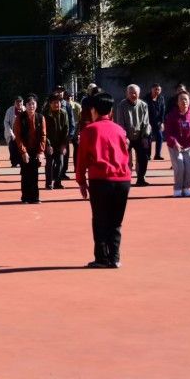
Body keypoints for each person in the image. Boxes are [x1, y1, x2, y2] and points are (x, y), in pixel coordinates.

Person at [76, 91, 132, 269]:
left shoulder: (89, 130)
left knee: (100, 220)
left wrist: (81, 181)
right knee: (116, 221)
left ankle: (102, 257)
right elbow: (126, 155)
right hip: (122, 179)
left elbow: (81, 159)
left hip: (100, 179)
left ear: (94, 110)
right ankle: (115, 257)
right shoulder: (120, 130)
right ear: (111, 110)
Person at [164, 92, 190, 197]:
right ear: (177, 102)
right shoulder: (171, 115)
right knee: (180, 167)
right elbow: (168, 133)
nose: (184, 101)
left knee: (189, 168)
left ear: (189, 101)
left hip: (189, 146)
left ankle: (186, 188)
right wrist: (175, 142)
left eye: (186, 99)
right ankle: (178, 189)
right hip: (175, 147)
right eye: (181, 99)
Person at [115, 84, 152, 187]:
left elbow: (146, 122)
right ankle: (126, 179)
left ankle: (141, 178)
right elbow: (120, 123)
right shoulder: (121, 105)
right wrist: (124, 137)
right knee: (125, 159)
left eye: (135, 93)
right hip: (126, 136)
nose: (133, 95)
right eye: (130, 93)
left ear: (139, 94)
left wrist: (145, 136)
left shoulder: (143, 105)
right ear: (127, 94)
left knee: (143, 158)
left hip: (140, 135)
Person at [13, 95, 47, 204]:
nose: (31, 106)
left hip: (35, 150)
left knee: (35, 173)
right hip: (23, 149)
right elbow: (18, 136)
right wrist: (23, 152)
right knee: (25, 173)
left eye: (33, 104)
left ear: (36, 105)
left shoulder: (40, 118)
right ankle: (25, 197)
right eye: (29, 104)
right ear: (25, 105)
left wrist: (41, 152)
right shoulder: (19, 118)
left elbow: (43, 136)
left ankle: (35, 197)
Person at [43, 95, 69, 190]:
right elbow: (43, 131)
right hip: (49, 143)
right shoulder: (45, 114)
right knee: (49, 163)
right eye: (54, 103)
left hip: (60, 142)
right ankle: (49, 183)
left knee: (60, 162)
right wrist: (48, 145)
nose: (57, 104)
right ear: (50, 104)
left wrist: (63, 145)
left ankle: (58, 182)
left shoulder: (64, 113)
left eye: (58, 102)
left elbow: (66, 129)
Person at [146, 84, 166, 161]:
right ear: (152, 89)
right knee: (149, 138)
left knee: (160, 137)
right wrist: (146, 123)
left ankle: (157, 155)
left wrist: (162, 122)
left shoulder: (161, 98)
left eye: (158, 90)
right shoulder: (146, 98)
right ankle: (148, 155)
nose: (157, 91)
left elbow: (163, 110)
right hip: (148, 122)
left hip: (157, 122)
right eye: (155, 89)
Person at [3, 96, 23, 167]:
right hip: (12, 132)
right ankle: (14, 162)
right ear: (14, 103)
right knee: (12, 146)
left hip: (22, 132)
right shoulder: (10, 110)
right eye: (17, 102)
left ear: (22, 102)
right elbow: (6, 122)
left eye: (20, 101)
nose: (19, 103)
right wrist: (11, 133)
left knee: (22, 147)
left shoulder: (25, 109)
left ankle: (21, 161)